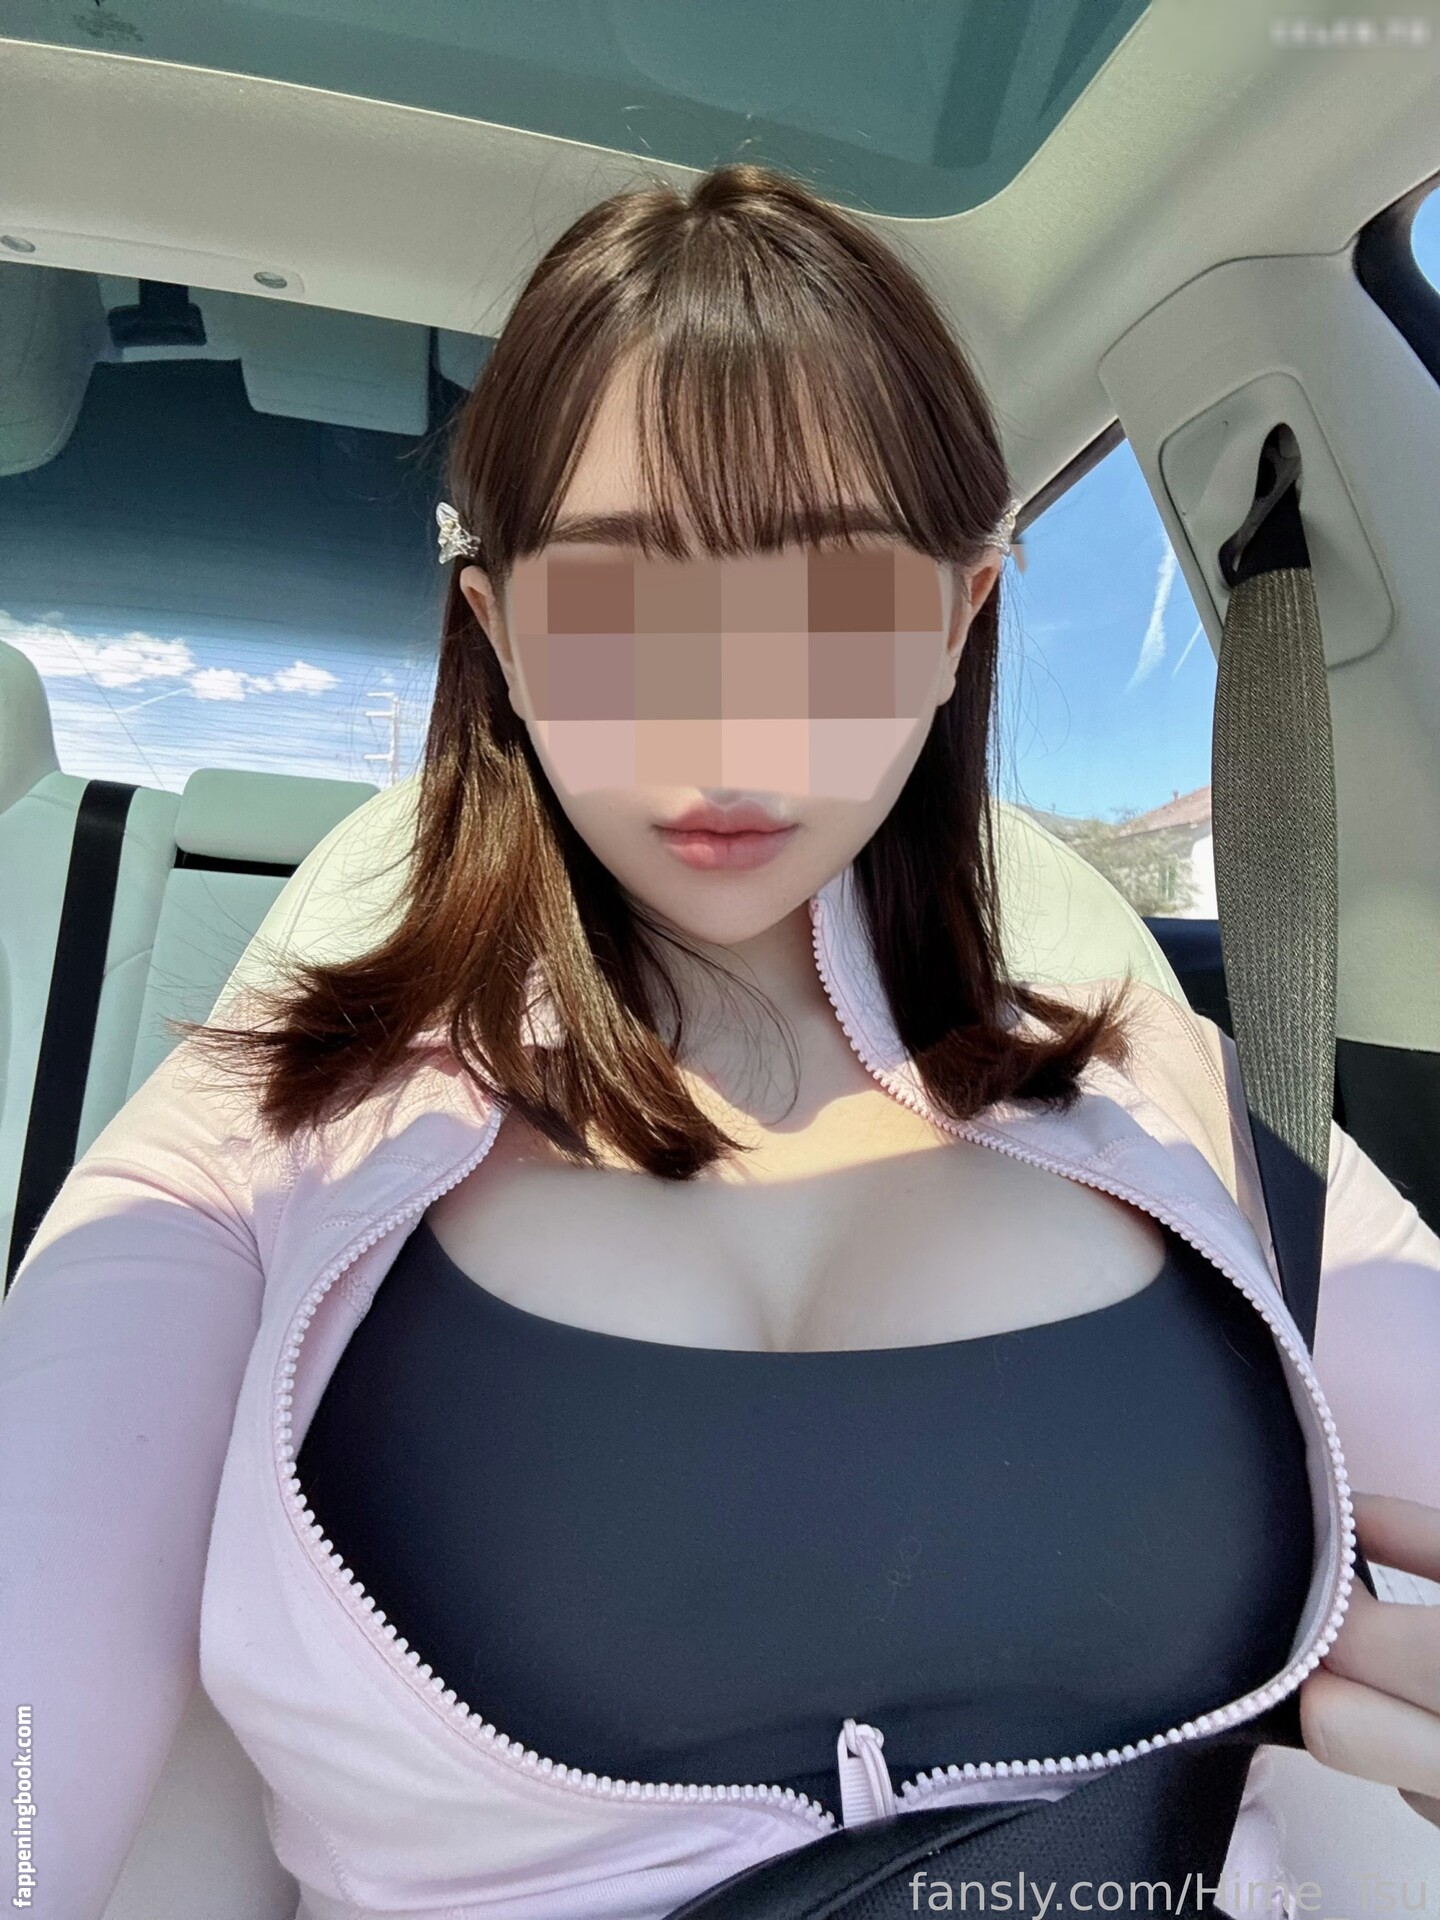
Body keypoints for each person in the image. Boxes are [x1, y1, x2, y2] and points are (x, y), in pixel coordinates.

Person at [1, 162, 1436, 1920]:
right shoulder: (247, 1138)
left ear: (961, 619)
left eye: (837, 602)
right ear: (500, 636)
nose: (729, 726)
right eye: (616, 605)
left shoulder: (1183, 1094)